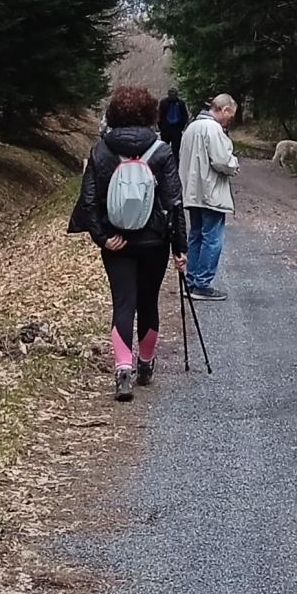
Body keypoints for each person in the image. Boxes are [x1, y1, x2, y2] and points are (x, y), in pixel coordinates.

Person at [69, 84, 187, 401]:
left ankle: (123, 369)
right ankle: (145, 364)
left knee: (124, 303)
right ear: (151, 114)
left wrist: (103, 238)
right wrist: (181, 249)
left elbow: (89, 201)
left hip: (117, 242)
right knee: (148, 302)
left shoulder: (101, 150)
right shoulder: (161, 151)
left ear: (114, 114)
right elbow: (174, 202)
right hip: (154, 242)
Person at [179, 92, 239, 300]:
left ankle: (191, 281)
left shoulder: (192, 127)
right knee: (212, 239)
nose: (229, 120)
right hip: (210, 193)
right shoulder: (213, 129)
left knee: (195, 236)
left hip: (193, 192)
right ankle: (203, 284)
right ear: (224, 110)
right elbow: (222, 160)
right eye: (230, 116)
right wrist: (234, 164)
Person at [158, 86, 189, 162]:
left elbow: (184, 116)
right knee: (164, 149)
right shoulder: (163, 103)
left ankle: (175, 164)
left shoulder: (180, 103)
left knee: (176, 151)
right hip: (166, 129)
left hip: (176, 129)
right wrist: (162, 127)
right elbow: (159, 115)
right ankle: (164, 162)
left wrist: (181, 127)